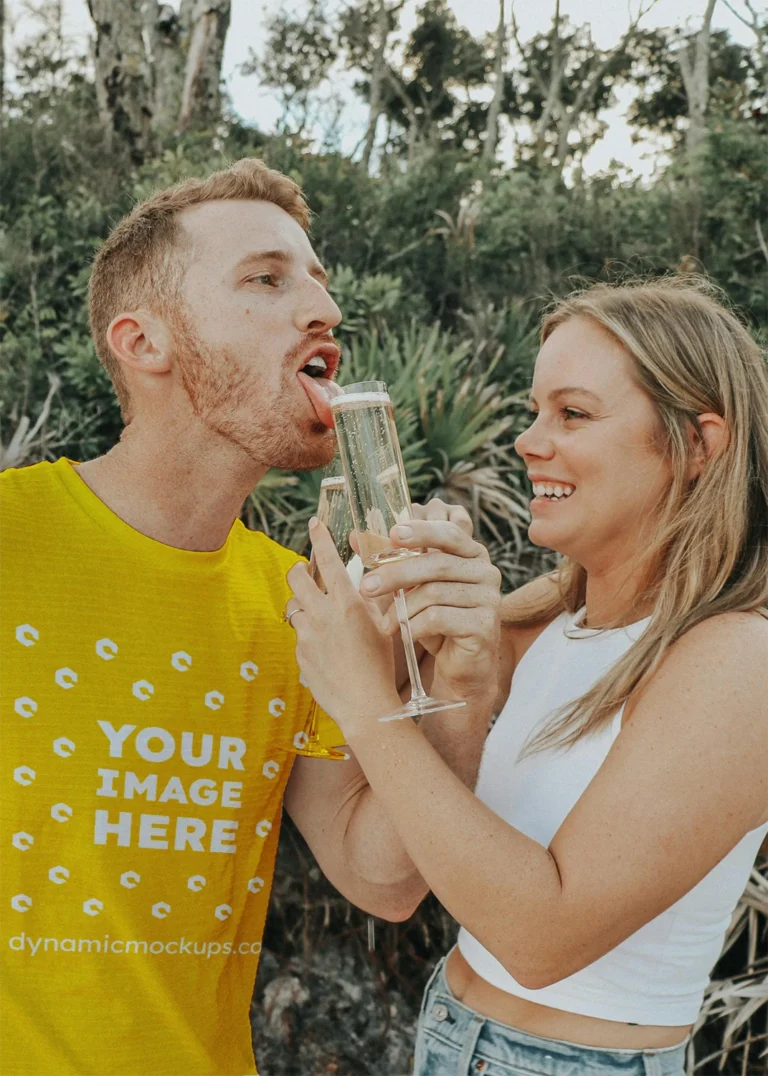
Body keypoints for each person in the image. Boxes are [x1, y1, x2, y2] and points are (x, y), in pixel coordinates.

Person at [0, 158, 502, 1076]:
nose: (323, 310)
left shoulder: (300, 603)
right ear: (142, 341)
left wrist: (464, 684)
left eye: (318, 281)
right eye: (267, 280)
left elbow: (382, 878)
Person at [289, 278, 768, 1076]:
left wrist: (367, 702)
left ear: (698, 446)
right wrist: (442, 663)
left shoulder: (738, 657)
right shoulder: (550, 614)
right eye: (536, 409)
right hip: (449, 1027)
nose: (528, 441)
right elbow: (384, 871)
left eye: (572, 413)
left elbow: (542, 937)